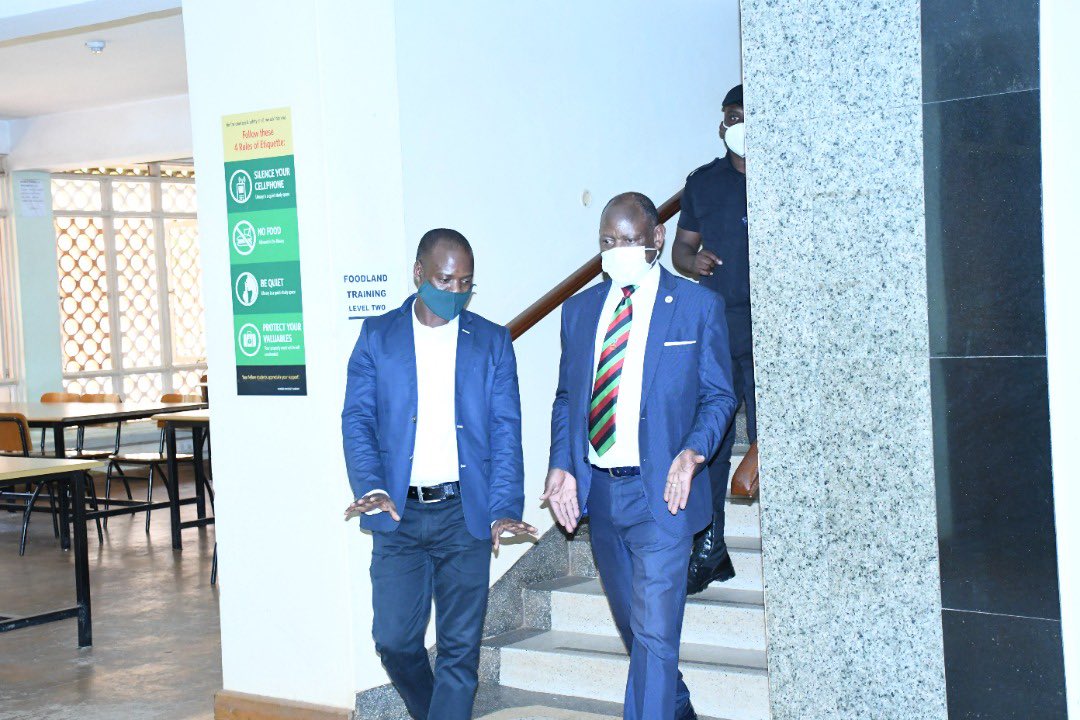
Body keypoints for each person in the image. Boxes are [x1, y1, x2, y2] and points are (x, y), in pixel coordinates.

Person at [542, 194, 737, 720]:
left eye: (628, 240)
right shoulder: (579, 311)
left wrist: (694, 451)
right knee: (638, 633)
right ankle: (679, 712)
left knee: (653, 634)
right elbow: (567, 397)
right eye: (608, 241)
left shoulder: (697, 307)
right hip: (602, 495)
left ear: (656, 239)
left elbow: (720, 395)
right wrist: (562, 463)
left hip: (663, 497)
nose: (617, 250)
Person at [342, 229, 536, 720]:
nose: (454, 294)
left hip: (463, 516)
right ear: (418, 274)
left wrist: (504, 508)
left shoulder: (491, 341)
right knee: (393, 640)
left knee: (459, 653)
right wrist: (371, 485)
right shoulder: (377, 337)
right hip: (397, 513)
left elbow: (505, 432)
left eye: (465, 284)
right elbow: (357, 420)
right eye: (445, 281)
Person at [671, 83, 753, 594]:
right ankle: (711, 547)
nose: (736, 123)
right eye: (730, 115)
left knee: (774, 442)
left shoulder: (789, 173)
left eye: (746, 114)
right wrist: (692, 262)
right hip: (721, 328)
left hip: (776, 331)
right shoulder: (703, 183)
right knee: (713, 443)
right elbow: (681, 251)